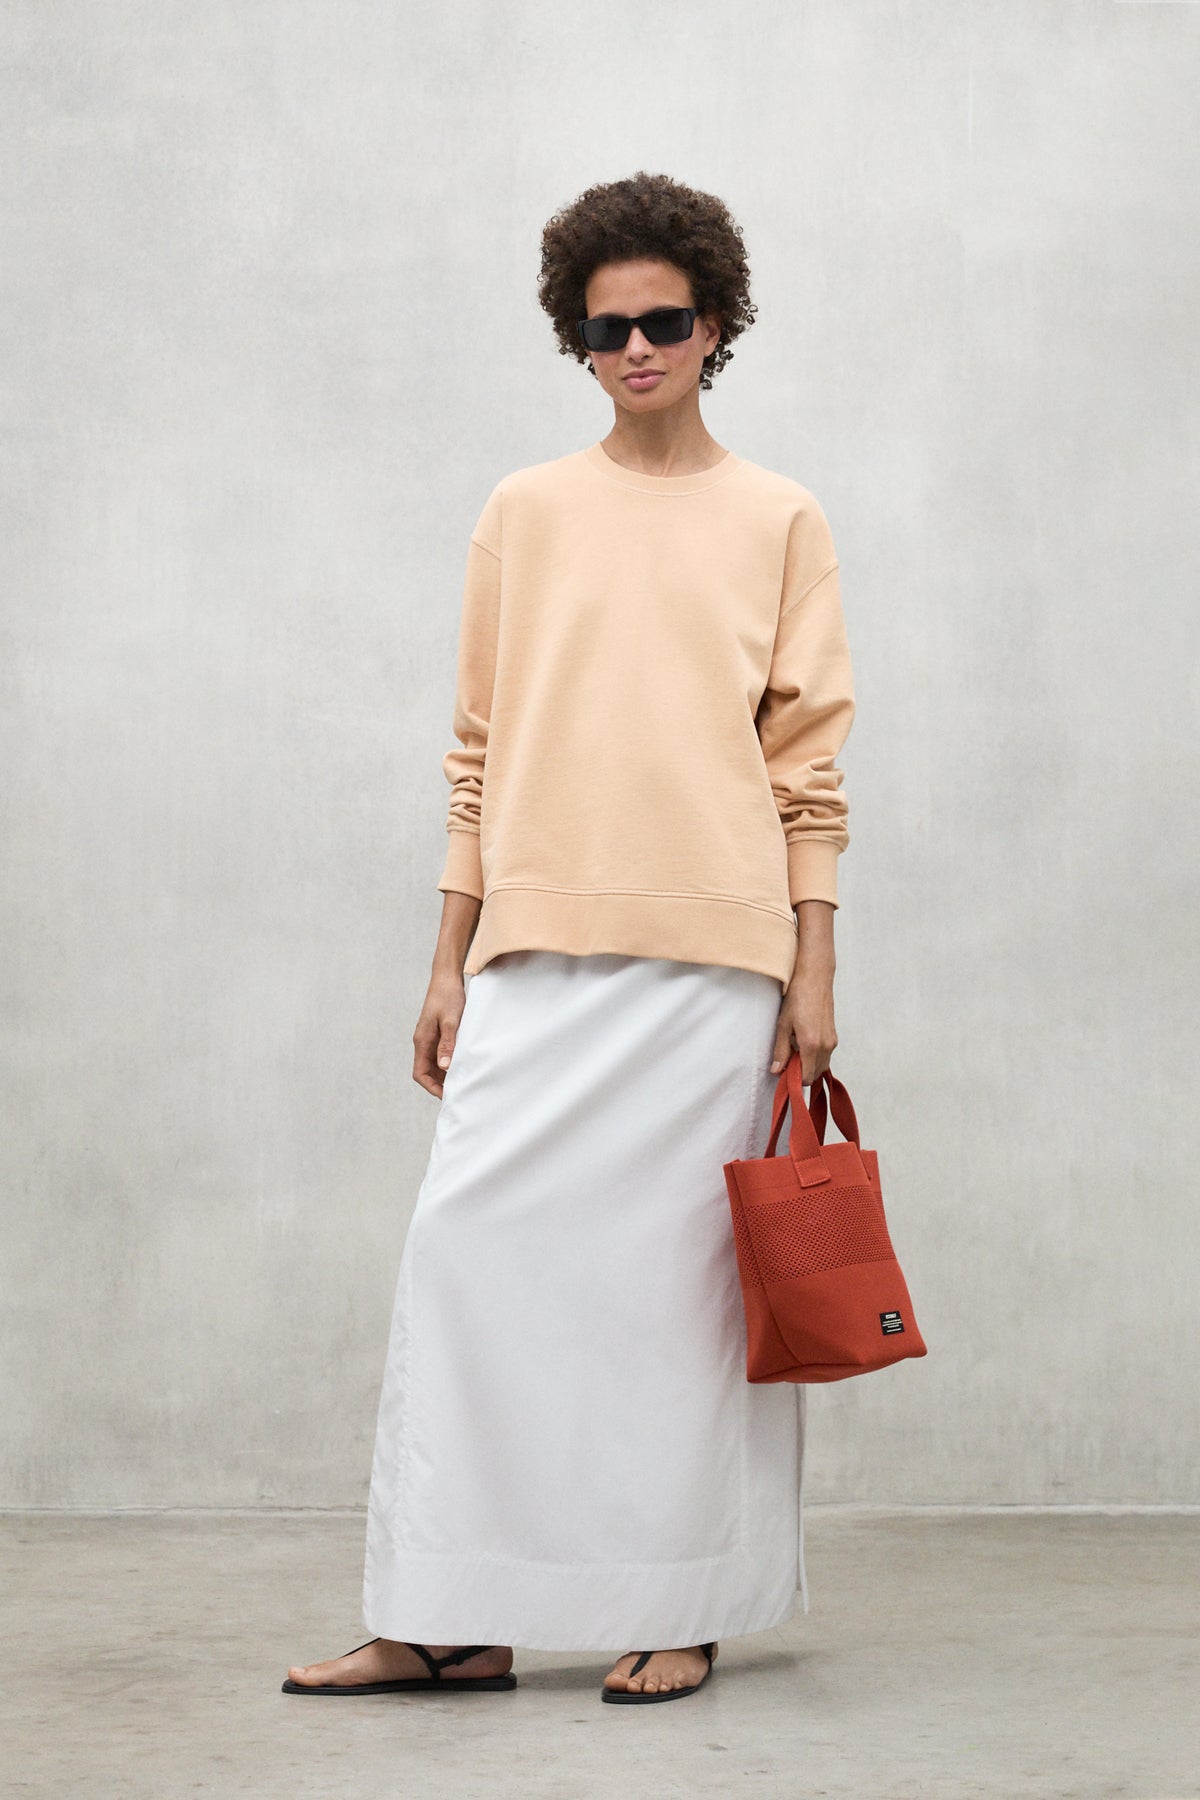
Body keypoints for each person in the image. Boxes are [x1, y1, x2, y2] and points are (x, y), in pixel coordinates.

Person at [283, 170, 855, 1706]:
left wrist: (813, 967)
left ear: (716, 326)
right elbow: (478, 749)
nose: (637, 350)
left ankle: (680, 1603)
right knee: (467, 1256)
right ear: (577, 340)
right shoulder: (524, 513)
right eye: (608, 330)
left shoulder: (779, 518)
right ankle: (449, 1614)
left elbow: (807, 770)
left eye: (665, 322)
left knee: (674, 1291)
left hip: (715, 963)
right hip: (535, 945)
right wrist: (447, 954)